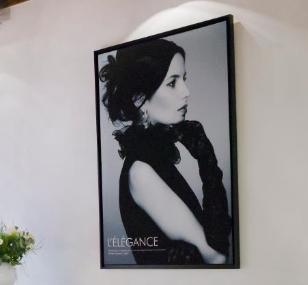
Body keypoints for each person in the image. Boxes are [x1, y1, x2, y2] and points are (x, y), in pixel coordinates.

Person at [99, 38, 232, 265]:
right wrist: (206, 160)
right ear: (140, 99)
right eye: (172, 83)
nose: (186, 91)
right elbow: (216, 255)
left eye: (184, 79)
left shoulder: (154, 160)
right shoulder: (142, 172)